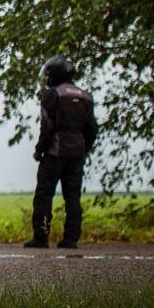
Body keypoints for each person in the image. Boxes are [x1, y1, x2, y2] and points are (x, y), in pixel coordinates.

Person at [25, 56, 98, 249]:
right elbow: (92, 128)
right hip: (77, 154)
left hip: (55, 152)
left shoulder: (52, 94)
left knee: (44, 194)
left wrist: (39, 150)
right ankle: (71, 238)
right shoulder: (86, 96)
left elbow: (47, 126)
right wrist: (84, 150)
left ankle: (41, 237)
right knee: (73, 196)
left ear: (55, 74)